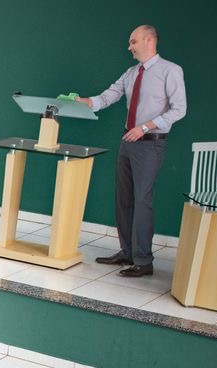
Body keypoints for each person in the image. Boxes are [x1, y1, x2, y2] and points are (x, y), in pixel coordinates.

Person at [77, 25, 187, 278]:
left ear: (149, 40)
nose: (129, 47)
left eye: (133, 41)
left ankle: (144, 261)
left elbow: (179, 109)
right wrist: (81, 101)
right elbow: (105, 98)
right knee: (123, 198)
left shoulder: (170, 71)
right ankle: (127, 251)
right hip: (129, 141)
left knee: (142, 200)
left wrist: (145, 126)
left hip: (150, 142)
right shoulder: (131, 73)